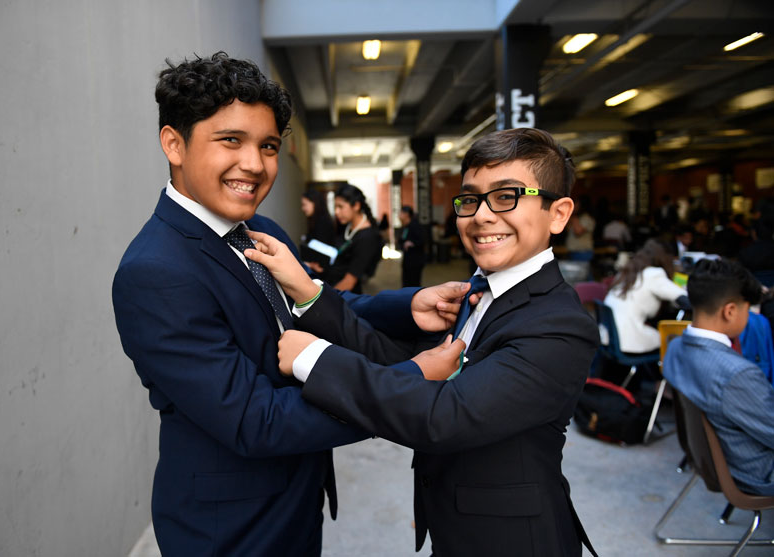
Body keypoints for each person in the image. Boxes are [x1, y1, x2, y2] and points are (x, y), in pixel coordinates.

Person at [111, 52, 472, 556]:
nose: (255, 165)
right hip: (232, 528)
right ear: (174, 143)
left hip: (296, 495)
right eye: (230, 140)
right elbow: (253, 420)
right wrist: (406, 382)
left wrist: (405, 306)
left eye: (269, 146)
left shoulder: (261, 231)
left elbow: (308, 303)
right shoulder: (155, 272)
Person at [246, 127, 600, 556]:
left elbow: (444, 416)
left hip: (513, 540)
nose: (482, 215)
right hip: (458, 524)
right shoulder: (478, 289)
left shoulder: (559, 324)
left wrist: (315, 361)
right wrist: (309, 294)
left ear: (558, 213)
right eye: (470, 199)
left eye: (507, 196)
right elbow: (400, 362)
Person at [663, 258, 773, 495]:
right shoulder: (737, 374)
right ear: (730, 311)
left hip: (709, 461)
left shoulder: (674, 347)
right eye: (748, 309)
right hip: (755, 473)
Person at [603, 239, 688, 354]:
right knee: (673, 339)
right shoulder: (653, 274)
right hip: (628, 339)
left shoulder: (627, 271)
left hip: (608, 337)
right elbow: (683, 298)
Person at [321, 183, 382, 293]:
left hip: (345, 294)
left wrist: (325, 300)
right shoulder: (346, 226)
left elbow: (349, 282)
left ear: (356, 206)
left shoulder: (367, 237)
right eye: (335, 207)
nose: (336, 212)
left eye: (340, 207)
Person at [399, 205, 426, 287]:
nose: (399, 215)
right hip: (408, 261)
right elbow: (403, 239)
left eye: (401, 213)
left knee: (413, 284)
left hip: (415, 261)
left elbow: (422, 240)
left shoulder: (415, 225)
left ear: (406, 214)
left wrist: (412, 243)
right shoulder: (406, 226)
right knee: (406, 283)